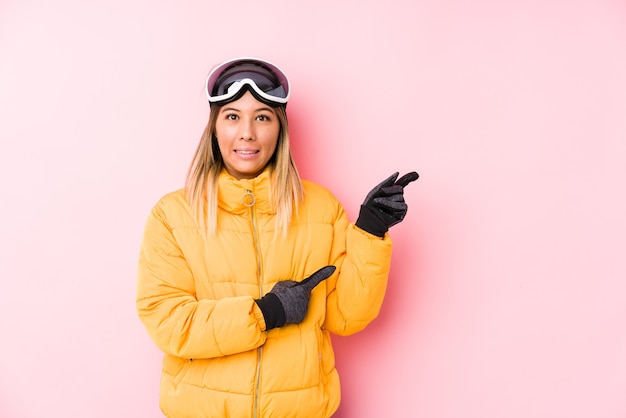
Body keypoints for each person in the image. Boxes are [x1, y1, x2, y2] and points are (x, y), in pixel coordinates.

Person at [136, 57, 418, 418]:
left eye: (262, 117)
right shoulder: (173, 216)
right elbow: (169, 323)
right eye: (233, 116)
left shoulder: (320, 208)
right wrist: (268, 312)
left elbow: (347, 316)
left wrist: (369, 231)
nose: (247, 133)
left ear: (280, 129)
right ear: (215, 128)